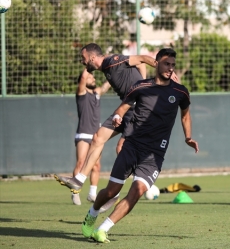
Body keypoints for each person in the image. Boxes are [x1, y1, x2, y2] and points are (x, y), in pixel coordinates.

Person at [81, 48, 198, 243]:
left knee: (137, 191)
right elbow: (123, 107)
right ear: (157, 63)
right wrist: (118, 117)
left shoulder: (180, 91)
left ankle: (103, 229)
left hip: (154, 154)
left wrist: (188, 137)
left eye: (172, 65)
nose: (170, 68)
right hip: (132, 146)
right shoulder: (140, 87)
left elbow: (185, 114)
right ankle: (92, 213)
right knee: (111, 191)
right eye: (166, 64)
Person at [54, 43, 158, 193]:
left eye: (83, 58)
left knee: (121, 147)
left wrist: (164, 71)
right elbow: (140, 64)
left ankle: (138, 183)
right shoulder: (106, 68)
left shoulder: (113, 61)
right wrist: (141, 83)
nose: (82, 61)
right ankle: (79, 180)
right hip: (126, 108)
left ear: (92, 57)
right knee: (97, 138)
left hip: (139, 110)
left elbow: (142, 58)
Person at [69, 69, 111, 206]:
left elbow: (107, 85)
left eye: (93, 77)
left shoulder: (96, 93)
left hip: (96, 135)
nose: (93, 78)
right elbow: (83, 77)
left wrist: (118, 70)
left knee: (96, 166)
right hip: (83, 133)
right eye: (90, 77)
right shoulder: (81, 93)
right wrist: (89, 67)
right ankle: (75, 192)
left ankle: (92, 194)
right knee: (81, 163)